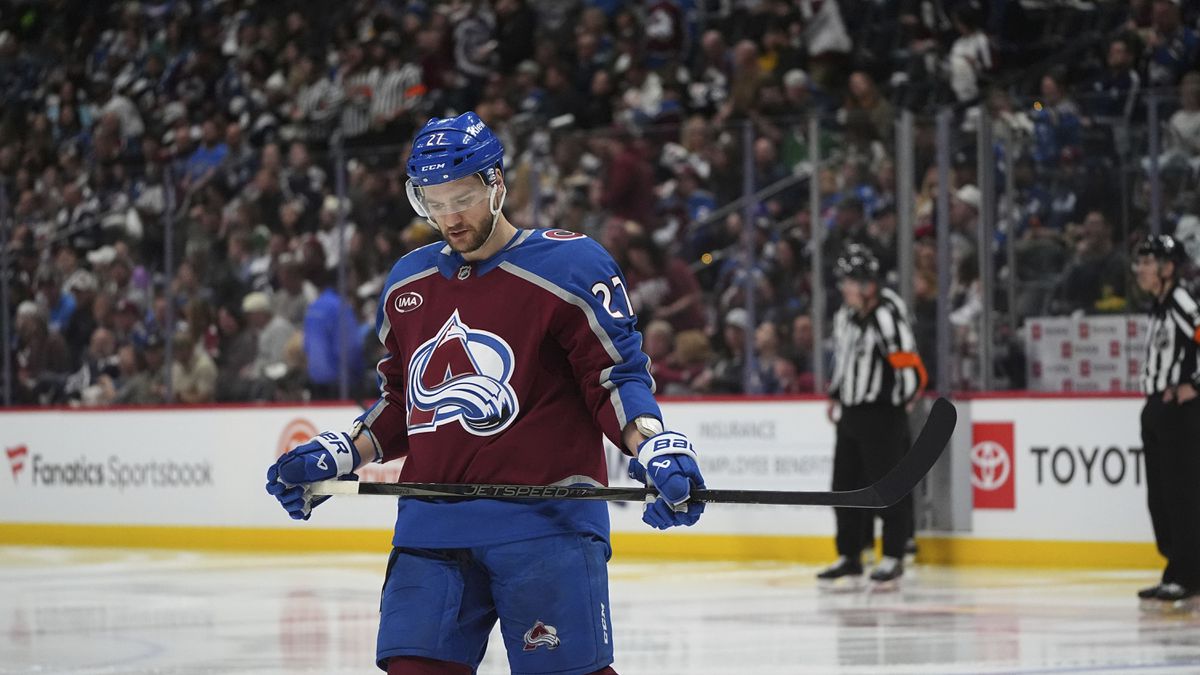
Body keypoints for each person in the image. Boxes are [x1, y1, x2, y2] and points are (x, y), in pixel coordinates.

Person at [265, 112, 706, 674]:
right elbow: (404, 402)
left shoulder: (568, 266)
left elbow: (614, 378)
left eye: (463, 198)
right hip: (431, 525)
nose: (449, 217)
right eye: (434, 202)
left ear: (497, 184)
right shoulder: (407, 284)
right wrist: (342, 451)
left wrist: (653, 443)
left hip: (545, 523)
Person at [818, 244, 927, 588]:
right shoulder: (845, 316)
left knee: (887, 487)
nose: (844, 289)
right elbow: (844, 360)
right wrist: (836, 394)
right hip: (852, 413)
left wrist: (904, 397)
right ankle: (850, 555)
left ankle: (893, 554)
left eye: (849, 282)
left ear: (867, 284)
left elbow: (908, 362)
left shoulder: (887, 314)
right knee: (844, 486)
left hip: (882, 415)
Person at [1132, 235, 1200, 604]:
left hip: (1178, 411)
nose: (1140, 270)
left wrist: (1194, 384)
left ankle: (1187, 574)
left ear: (1168, 268)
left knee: (1180, 495)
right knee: (1160, 496)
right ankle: (1177, 568)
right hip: (1157, 407)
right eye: (1140, 262)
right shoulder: (1159, 305)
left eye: (1148, 262)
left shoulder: (1181, 302)